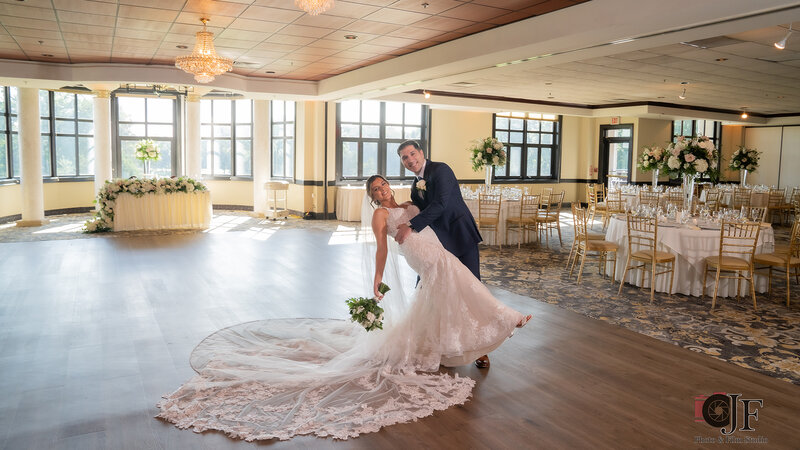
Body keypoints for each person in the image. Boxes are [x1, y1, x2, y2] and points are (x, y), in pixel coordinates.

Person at [156, 176, 529, 443]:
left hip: (440, 257)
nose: (382, 191)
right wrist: (378, 280)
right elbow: (382, 250)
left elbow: (438, 216)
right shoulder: (381, 217)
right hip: (427, 264)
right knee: (465, 288)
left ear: (390, 187)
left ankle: (466, 340)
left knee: (458, 294)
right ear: (371, 198)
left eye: (384, 186)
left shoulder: (412, 205)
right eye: (375, 190)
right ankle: (508, 318)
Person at [392, 140, 491, 368]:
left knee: (471, 289)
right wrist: (404, 208)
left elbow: (441, 204)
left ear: (421, 153)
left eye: (412, 154)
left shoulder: (441, 169)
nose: (410, 160)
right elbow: (420, 207)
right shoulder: (416, 183)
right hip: (437, 241)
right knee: (427, 287)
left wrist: (411, 226)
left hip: (459, 235)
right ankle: (431, 343)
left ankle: (481, 350)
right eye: (404, 158)